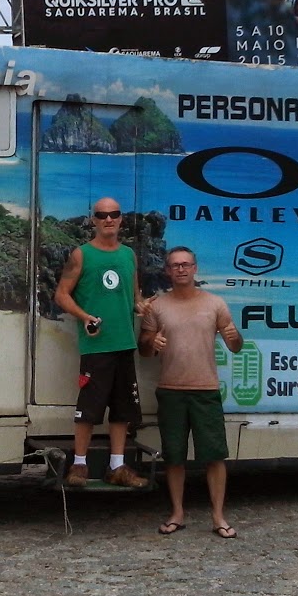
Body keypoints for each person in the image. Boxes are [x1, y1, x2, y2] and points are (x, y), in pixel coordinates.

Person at [139, 246, 243, 538]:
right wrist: (151, 342)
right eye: (175, 265)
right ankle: (177, 513)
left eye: (186, 264)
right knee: (174, 456)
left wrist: (235, 337)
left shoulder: (215, 303)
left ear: (195, 268)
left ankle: (218, 517)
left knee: (215, 456)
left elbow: (236, 345)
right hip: (170, 390)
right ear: (167, 271)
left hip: (206, 390)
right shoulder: (158, 306)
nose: (181, 269)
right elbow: (144, 348)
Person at [53, 197, 151, 489]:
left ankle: (117, 466)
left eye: (114, 214)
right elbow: (61, 294)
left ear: (121, 219)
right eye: (102, 215)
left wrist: (141, 306)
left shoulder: (129, 255)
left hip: (124, 343)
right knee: (89, 410)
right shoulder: (81, 254)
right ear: (93, 220)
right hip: (96, 346)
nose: (108, 219)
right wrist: (84, 317)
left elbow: (134, 297)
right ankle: (79, 464)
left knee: (122, 409)